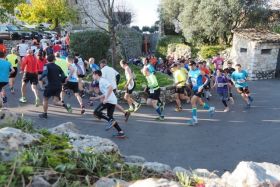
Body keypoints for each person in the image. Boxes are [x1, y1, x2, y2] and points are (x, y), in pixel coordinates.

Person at [92, 70, 126, 138]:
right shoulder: (101, 81)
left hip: (109, 100)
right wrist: (95, 98)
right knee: (110, 116)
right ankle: (121, 132)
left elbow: (110, 88)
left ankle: (111, 121)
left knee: (96, 112)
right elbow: (106, 92)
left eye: (93, 75)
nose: (92, 76)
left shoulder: (102, 81)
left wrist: (106, 98)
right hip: (112, 100)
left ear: (96, 74)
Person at [38, 54, 72, 119]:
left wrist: (40, 78)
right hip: (58, 86)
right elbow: (63, 76)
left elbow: (45, 73)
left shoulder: (46, 65)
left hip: (50, 85)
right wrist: (63, 81)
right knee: (55, 102)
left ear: (47, 60)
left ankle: (45, 114)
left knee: (45, 99)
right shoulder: (58, 67)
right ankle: (65, 105)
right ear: (54, 60)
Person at [187, 61, 215, 125]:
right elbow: (189, 79)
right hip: (194, 89)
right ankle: (211, 109)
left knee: (192, 101)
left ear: (194, 65)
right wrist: (188, 83)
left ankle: (194, 119)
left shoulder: (199, 71)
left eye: (191, 65)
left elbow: (208, 78)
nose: (190, 67)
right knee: (200, 103)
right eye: (189, 66)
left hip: (199, 89)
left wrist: (202, 86)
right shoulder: (189, 72)